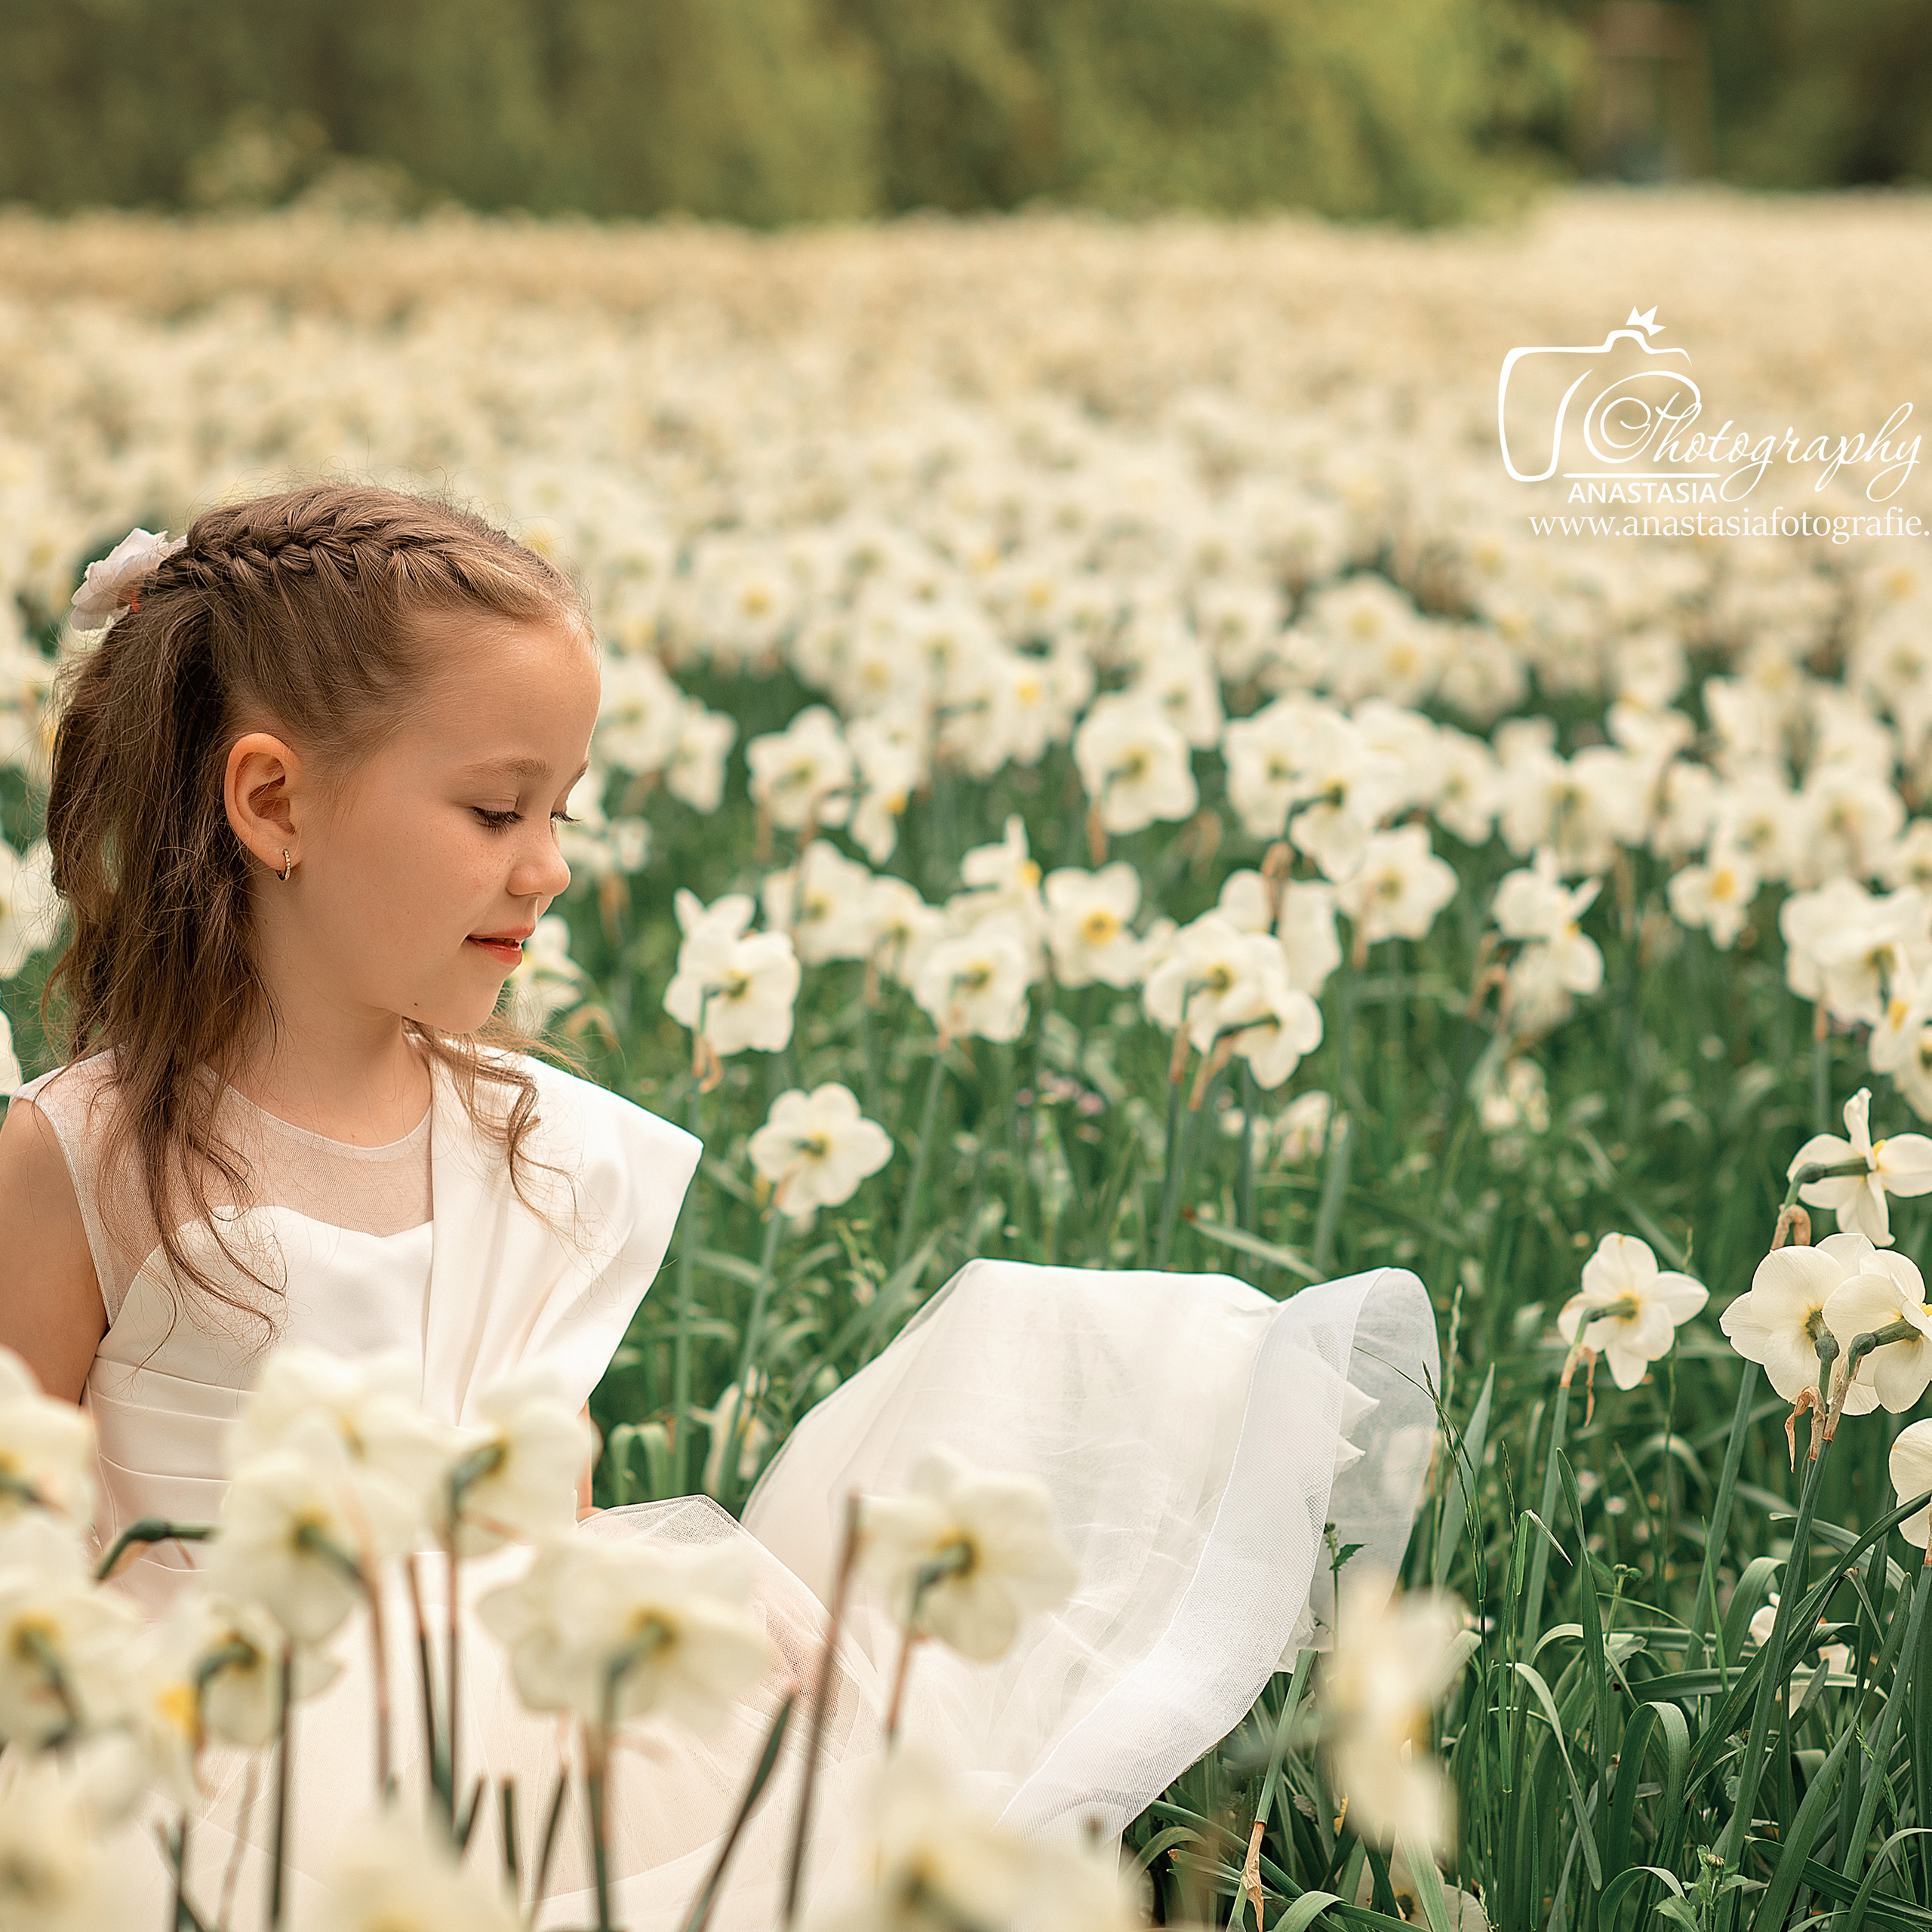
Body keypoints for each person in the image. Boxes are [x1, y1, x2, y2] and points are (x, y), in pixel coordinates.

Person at [0, 484, 1440, 1929]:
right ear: (273, 801)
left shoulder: (539, 1146)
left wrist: (694, 1640)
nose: (550, 865)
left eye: (561, 810)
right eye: (497, 808)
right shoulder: (89, 1158)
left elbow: (543, 1503)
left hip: (512, 1712)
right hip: (211, 1746)